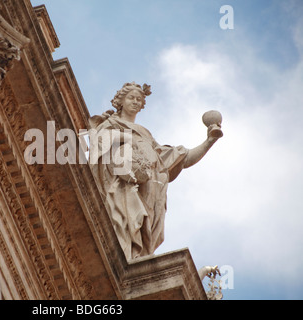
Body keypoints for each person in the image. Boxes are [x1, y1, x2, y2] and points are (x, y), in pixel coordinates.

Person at [89, 82, 222, 261]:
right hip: (123, 188)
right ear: (121, 101)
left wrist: (209, 141)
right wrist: (128, 139)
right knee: (124, 226)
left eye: (139, 100)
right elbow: (98, 141)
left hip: (149, 194)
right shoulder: (110, 124)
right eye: (131, 98)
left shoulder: (146, 137)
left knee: (138, 234)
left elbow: (182, 158)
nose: (136, 102)